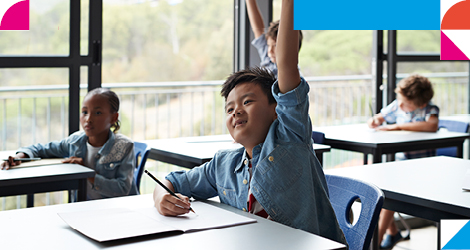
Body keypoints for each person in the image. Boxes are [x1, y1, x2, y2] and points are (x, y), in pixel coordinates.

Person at [153, 0, 347, 246]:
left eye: (247, 102)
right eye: (229, 109)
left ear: (276, 109)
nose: (236, 112)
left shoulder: (290, 138)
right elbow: (173, 180)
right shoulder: (223, 164)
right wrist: (161, 197)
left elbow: (286, 63)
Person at [1, 88, 138, 200]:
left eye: (97, 113)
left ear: (114, 118)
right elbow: (41, 149)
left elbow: (122, 190)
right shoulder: (75, 141)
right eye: (84, 112)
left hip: (115, 213)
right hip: (82, 209)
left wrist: (87, 173)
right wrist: (21, 156)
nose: (88, 119)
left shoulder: (124, 146)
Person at [368, 74, 439, 250]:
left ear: (420, 104)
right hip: (400, 165)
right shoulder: (398, 105)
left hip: (422, 169)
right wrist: (375, 120)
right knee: (377, 185)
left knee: (388, 193)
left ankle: (373, 244)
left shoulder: (429, 110)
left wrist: (397, 126)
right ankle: (391, 233)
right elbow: (380, 117)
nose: (400, 105)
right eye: (399, 100)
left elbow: (431, 125)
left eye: (405, 103)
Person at [245, 0, 303, 76]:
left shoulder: (294, 76)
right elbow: (258, 30)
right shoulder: (268, 58)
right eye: (269, 45)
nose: (270, 51)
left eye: (275, 45)